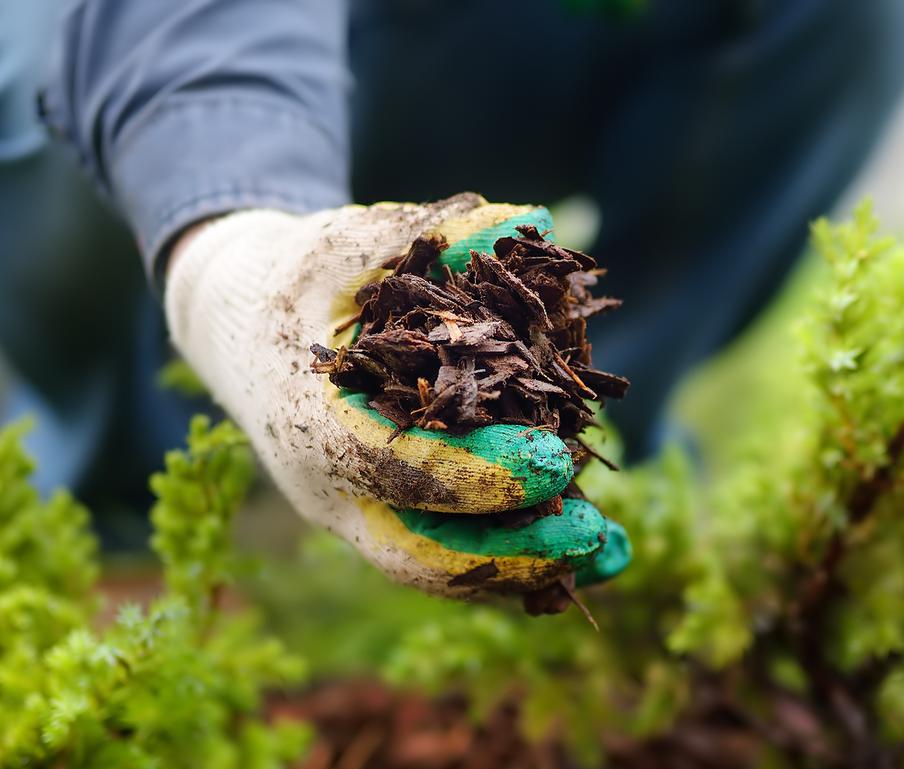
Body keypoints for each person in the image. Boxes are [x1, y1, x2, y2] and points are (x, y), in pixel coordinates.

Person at [1, 1, 902, 596]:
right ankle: (128, 498)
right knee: (85, 70)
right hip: (145, 46)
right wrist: (229, 261)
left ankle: (539, 476)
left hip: (476, 41)